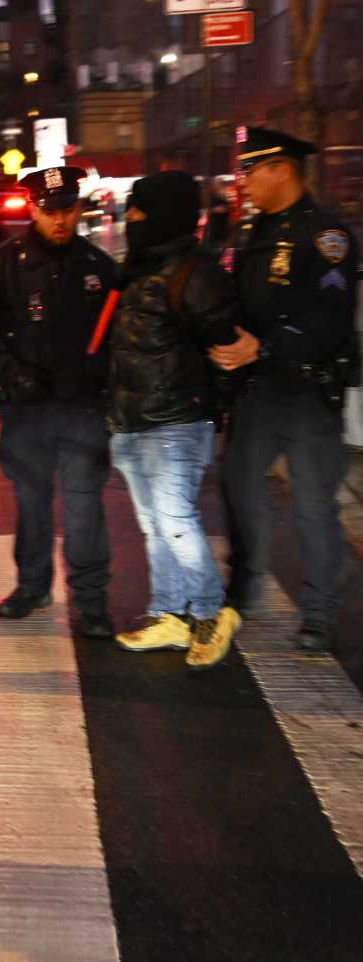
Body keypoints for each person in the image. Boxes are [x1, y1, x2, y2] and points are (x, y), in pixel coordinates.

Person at [209, 127, 360, 652]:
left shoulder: (326, 237)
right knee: (239, 489)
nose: (243, 180)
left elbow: (331, 319)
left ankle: (318, 612)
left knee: (313, 505)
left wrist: (265, 347)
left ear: (283, 170)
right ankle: (244, 591)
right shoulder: (251, 235)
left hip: (307, 394)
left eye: (251, 169)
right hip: (257, 391)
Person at [0, 166, 118, 640]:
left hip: (81, 408)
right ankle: (32, 587)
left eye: (68, 210)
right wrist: (9, 372)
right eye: (50, 210)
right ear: (32, 208)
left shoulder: (97, 266)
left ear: (79, 208)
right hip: (26, 408)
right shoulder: (2, 266)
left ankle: (91, 601)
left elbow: (116, 337)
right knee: (32, 505)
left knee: (84, 509)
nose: (60, 220)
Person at [105, 171, 243, 670]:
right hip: (134, 421)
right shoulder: (140, 270)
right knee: (154, 526)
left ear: (163, 214)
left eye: (139, 211)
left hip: (175, 424)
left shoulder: (196, 274)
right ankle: (169, 613)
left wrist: (207, 406)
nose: (132, 220)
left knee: (176, 521)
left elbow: (226, 347)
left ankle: (210, 611)